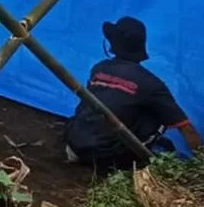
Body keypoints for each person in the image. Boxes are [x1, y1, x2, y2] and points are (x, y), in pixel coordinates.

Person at [64, 16, 201, 173]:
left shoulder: (99, 68)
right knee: (159, 114)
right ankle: (130, 161)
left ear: (112, 43)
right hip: (106, 158)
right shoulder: (151, 84)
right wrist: (200, 162)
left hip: (75, 144)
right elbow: (185, 128)